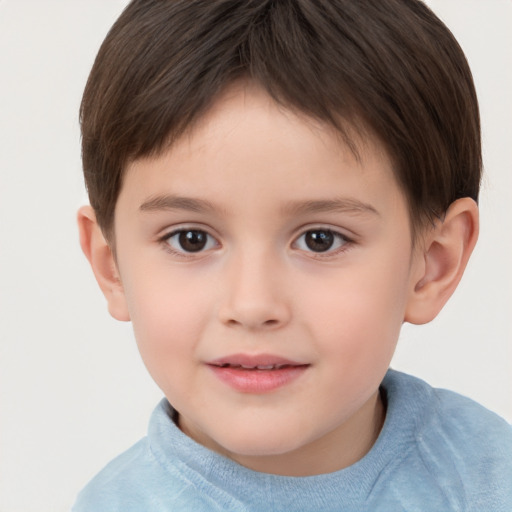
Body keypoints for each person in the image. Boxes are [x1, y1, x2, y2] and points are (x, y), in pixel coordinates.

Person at [73, 0, 512, 510]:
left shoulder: (487, 473)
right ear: (112, 266)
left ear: (432, 264)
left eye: (320, 239)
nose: (254, 304)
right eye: (190, 238)